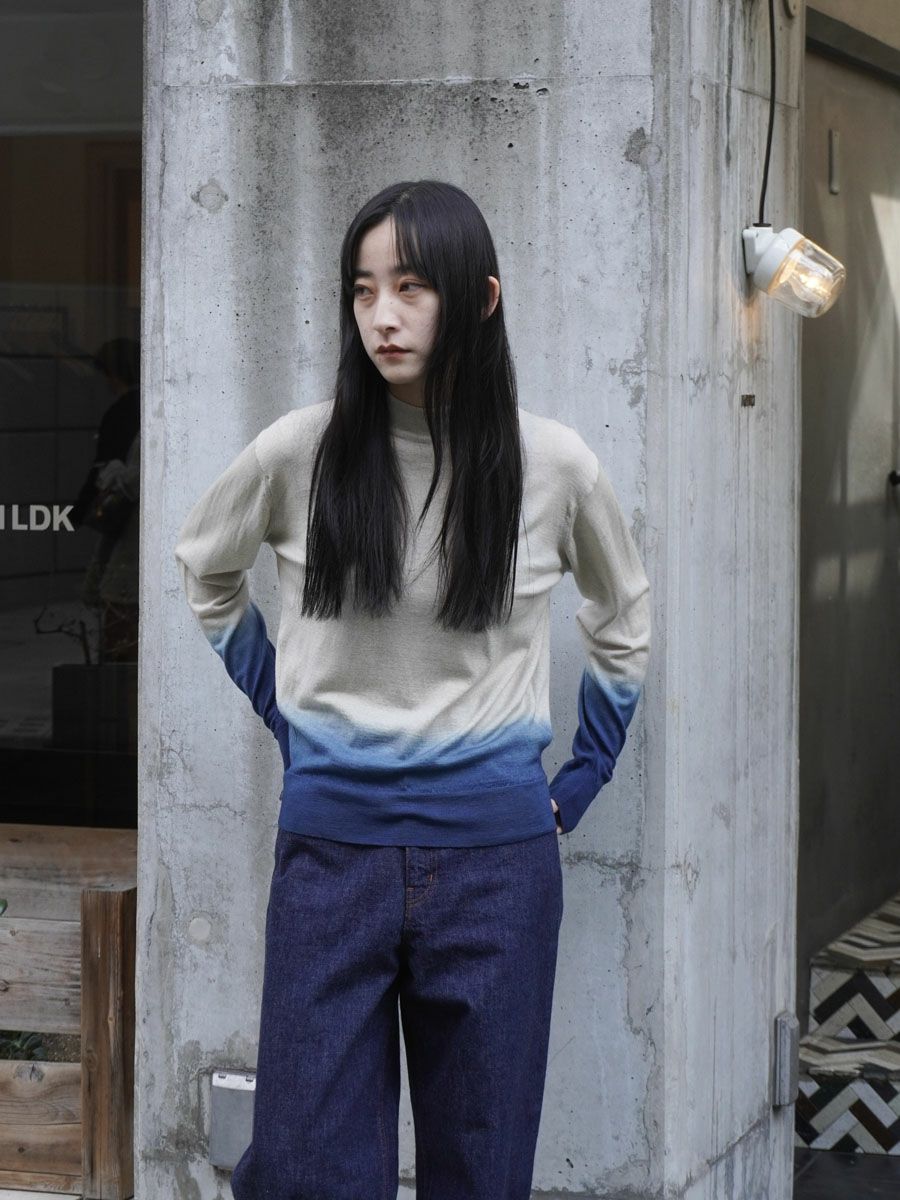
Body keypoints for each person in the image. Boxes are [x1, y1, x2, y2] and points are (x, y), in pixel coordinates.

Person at [174, 179, 651, 1200]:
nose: (381, 315)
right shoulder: (300, 450)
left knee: (482, 1168)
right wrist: (285, 710)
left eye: (410, 287)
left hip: (499, 868)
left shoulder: (553, 464)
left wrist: (585, 775)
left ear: (479, 298)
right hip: (330, 862)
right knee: (307, 1170)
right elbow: (205, 568)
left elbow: (624, 612)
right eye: (363, 289)